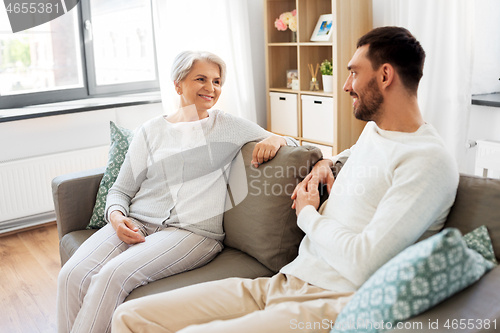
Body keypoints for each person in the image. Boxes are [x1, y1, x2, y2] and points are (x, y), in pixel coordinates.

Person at [111, 27, 459, 333]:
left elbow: (365, 260)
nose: (345, 85)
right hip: (283, 283)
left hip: (334, 301)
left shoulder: (427, 161)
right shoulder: (376, 133)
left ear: (385, 76)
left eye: (354, 72)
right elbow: (349, 156)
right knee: (130, 316)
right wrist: (326, 162)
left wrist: (307, 214)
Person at [56, 50, 298, 333]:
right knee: (71, 274)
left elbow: (294, 145)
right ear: (178, 84)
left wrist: (278, 138)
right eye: (201, 79)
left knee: (113, 276)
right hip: (136, 221)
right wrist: (116, 216)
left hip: (192, 233)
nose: (211, 88)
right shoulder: (150, 131)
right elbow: (120, 189)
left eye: (217, 81)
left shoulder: (229, 126)